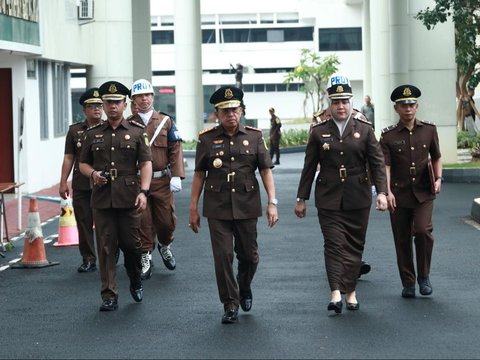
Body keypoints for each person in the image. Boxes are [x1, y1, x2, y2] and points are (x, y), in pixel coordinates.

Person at [294, 74, 388, 314]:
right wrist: (301, 198)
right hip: (328, 195)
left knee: (354, 245)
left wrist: (382, 192)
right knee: (334, 244)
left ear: (351, 102)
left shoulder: (365, 130)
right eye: (336, 102)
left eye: (345, 101)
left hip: (358, 194)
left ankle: (351, 291)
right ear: (330, 103)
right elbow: (308, 166)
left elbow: (377, 163)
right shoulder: (318, 131)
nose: (341, 106)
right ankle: (336, 292)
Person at [188, 86, 279, 324]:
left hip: (247, 204)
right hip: (217, 206)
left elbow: (266, 171)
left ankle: (244, 286)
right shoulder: (207, 139)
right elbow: (199, 174)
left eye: (235, 109)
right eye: (225, 111)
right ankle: (230, 303)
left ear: (241, 110)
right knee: (223, 256)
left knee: (250, 256)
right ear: (217, 113)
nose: (231, 114)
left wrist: (273, 202)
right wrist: (193, 208)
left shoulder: (254, 136)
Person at [79, 81, 152, 311]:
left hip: (129, 197)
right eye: (108, 102)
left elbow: (146, 163)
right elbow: (82, 163)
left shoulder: (137, 132)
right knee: (106, 247)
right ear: (104, 104)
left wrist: (144, 191)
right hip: (102, 198)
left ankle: (135, 278)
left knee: (131, 245)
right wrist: (92, 174)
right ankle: (109, 294)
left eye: (116, 102)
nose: (112, 107)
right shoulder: (93, 134)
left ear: (125, 105)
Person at [380, 84, 442, 299]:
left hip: (424, 191)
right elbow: (385, 166)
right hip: (399, 193)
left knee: (423, 231)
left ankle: (424, 276)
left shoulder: (429, 130)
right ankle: (408, 282)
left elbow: (436, 156)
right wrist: (387, 191)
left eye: (411, 105)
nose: (408, 109)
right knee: (402, 238)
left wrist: (439, 178)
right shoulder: (388, 136)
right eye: (403, 105)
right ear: (396, 108)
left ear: (417, 106)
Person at [129, 79, 185, 280]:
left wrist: (177, 175)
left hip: (162, 181)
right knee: (143, 222)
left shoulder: (165, 121)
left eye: (147, 95)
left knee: (166, 222)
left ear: (152, 97)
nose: (144, 99)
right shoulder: (128, 124)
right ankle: (146, 255)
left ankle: (164, 244)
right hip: (136, 182)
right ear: (133, 100)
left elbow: (175, 149)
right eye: (140, 96)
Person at [311, 108, 373, 280]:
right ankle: (345, 266)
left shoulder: (358, 117)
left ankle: (351, 263)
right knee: (335, 232)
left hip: (356, 183)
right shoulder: (320, 119)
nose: (340, 104)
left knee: (354, 230)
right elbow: (315, 151)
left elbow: (369, 152)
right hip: (331, 183)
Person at [59, 88, 103, 273]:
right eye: (92, 106)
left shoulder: (110, 128)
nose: (97, 110)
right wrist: (63, 181)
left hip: (104, 184)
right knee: (84, 223)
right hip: (82, 184)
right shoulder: (75, 130)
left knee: (105, 223)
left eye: (99, 106)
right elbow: (69, 157)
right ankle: (88, 258)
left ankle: (109, 254)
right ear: (84, 110)